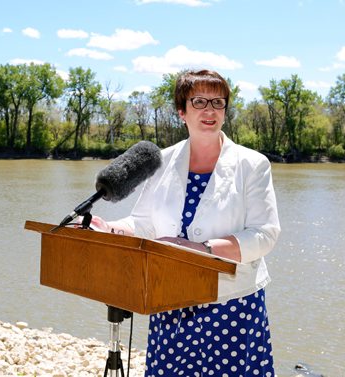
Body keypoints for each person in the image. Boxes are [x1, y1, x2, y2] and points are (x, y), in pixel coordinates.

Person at [88, 69, 280, 376]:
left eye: (218, 102)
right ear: (182, 111)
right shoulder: (160, 161)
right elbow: (143, 225)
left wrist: (198, 249)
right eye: (199, 101)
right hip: (171, 301)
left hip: (232, 305)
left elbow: (265, 235)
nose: (209, 110)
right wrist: (105, 228)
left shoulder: (252, 164)